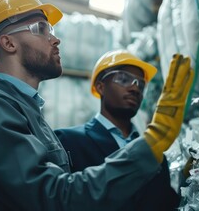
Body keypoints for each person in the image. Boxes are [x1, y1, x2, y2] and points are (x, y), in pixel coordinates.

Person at [0, 0, 194, 211]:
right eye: (40, 28)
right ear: (8, 43)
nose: (55, 39)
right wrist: (152, 142)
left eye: (52, 30)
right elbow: (55, 197)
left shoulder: (30, 114)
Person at [55, 50, 181, 210]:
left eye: (140, 84)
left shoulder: (154, 152)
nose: (135, 89)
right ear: (100, 87)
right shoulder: (68, 141)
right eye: (123, 79)